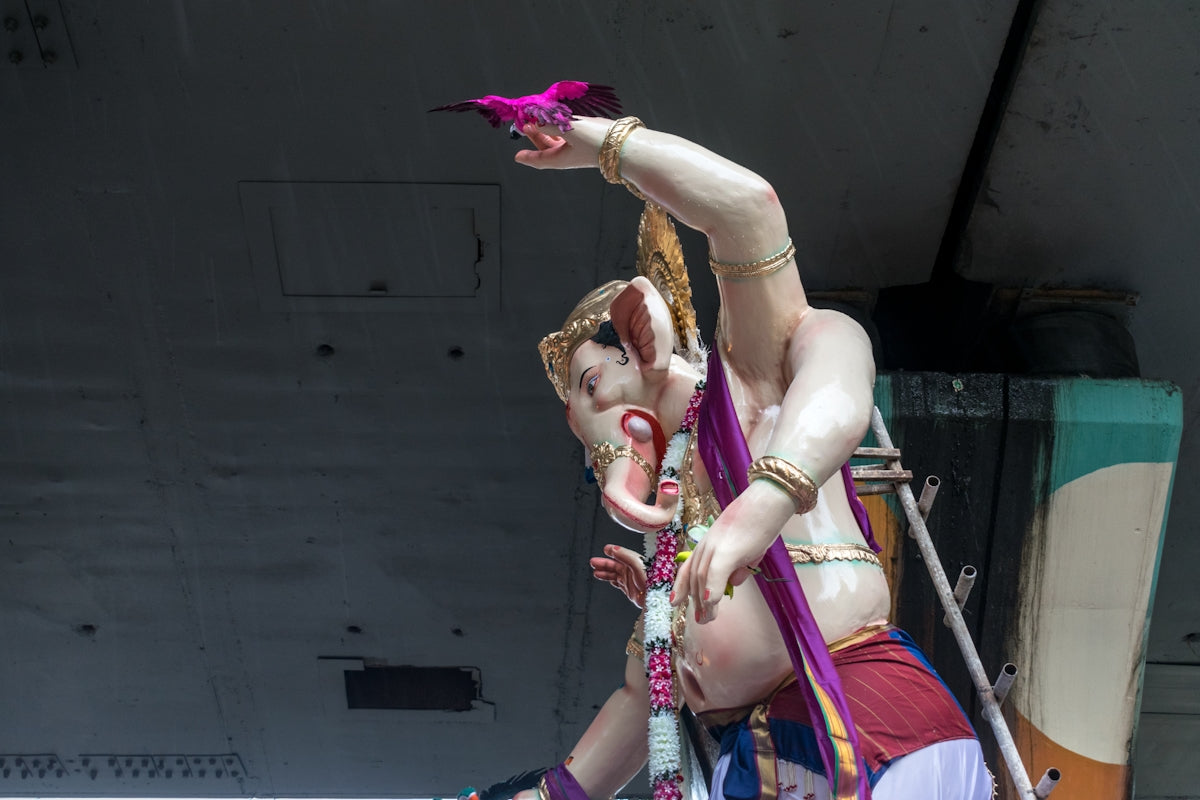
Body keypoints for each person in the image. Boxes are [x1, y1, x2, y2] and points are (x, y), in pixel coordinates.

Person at [516, 115, 993, 800]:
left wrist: (606, 148)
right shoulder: (673, 537)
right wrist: (551, 793)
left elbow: (750, 215)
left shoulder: (749, 385)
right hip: (759, 757)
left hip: (860, 730)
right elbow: (637, 696)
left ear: (640, 338)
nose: (590, 432)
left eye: (591, 385)